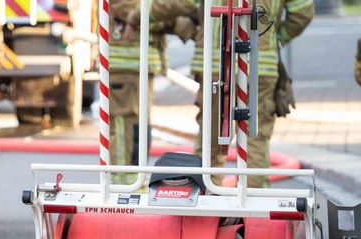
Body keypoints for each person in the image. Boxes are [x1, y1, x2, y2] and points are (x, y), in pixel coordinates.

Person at [192, 0, 314, 188]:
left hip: (216, 65)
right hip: (260, 66)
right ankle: (253, 202)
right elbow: (303, 11)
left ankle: (205, 200)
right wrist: (275, 37)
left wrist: (193, 30)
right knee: (254, 140)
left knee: (211, 137)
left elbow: (179, 4)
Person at [106, 0, 198, 184]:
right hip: (127, 68)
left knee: (137, 126)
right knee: (128, 126)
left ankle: (132, 180)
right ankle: (126, 183)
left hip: (135, 68)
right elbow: (141, 14)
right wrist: (179, 23)